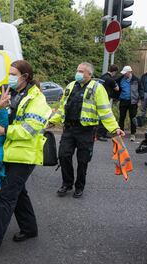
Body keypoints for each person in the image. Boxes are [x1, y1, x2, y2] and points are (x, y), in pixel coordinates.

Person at [0, 60, 52, 260]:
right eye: (8, 73)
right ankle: (29, 228)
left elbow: (30, 129)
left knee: (6, 198)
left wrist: (6, 130)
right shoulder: (10, 93)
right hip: (9, 151)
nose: (9, 77)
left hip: (25, 155)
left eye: (13, 73)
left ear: (25, 77)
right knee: (19, 192)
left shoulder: (38, 99)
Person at [49, 62, 125, 199]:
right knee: (63, 155)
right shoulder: (71, 86)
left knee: (83, 160)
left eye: (81, 71)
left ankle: (79, 186)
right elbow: (62, 108)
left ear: (89, 74)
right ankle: (67, 183)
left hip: (86, 131)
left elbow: (105, 111)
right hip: (69, 128)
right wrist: (52, 121)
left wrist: (115, 128)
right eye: (77, 70)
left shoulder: (97, 88)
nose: (78, 73)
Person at [115, 65, 142, 142]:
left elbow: (140, 90)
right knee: (122, 117)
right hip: (123, 100)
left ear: (130, 72)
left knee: (133, 118)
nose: (124, 74)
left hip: (133, 102)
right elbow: (113, 82)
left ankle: (133, 134)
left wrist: (139, 100)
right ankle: (121, 133)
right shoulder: (121, 78)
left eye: (125, 73)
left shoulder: (136, 79)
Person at [96, 64, 119, 141]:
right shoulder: (110, 79)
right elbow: (117, 89)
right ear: (114, 71)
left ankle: (103, 133)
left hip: (99, 97)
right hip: (105, 99)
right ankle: (100, 135)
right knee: (105, 116)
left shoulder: (102, 77)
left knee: (100, 115)